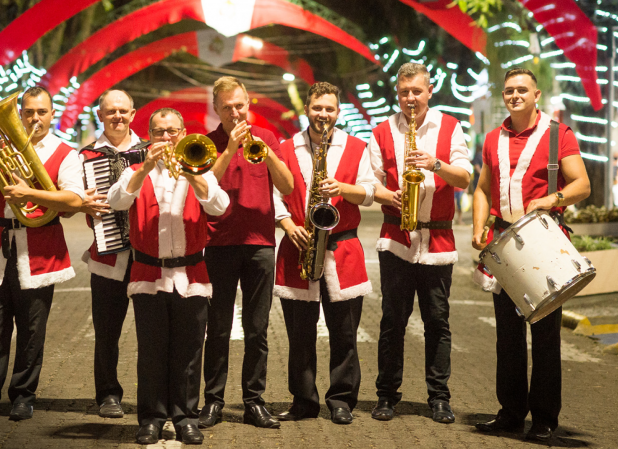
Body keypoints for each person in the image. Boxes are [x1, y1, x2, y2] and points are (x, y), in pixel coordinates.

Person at [471, 68, 590, 442]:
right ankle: (510, 413)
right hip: (504, 242)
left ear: (537, 94)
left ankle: (544, 419)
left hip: (542, 240)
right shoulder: (494, 138)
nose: (515, 95)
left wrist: (549, 200)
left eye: (522, 89)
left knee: (544, 334)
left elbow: (582, 184)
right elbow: (482, 189)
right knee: (506, 336)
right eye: (509, 90)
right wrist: (479, 226)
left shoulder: (558, 135)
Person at [0, 86, 84, 422]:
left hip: (41, 248)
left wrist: (27, 189)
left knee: (31, 329)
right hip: (0, 245)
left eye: (41, 112)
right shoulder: (1, 147)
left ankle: (23, 396)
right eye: (28, 112)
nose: (34, 119)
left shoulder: (65, 153)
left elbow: (74, 201)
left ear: (52, 114)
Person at [108, 108, 229, 444]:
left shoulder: (200, 167)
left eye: (172, 131)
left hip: (192, 275)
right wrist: (145, 168)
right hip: (148, 273)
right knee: (151, 352)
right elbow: (116, 201)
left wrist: (194, 173)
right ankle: (151, 418)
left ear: (183, 133)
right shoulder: (134, 170)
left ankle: (185, 417)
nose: (166, 138)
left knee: (189, 352)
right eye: (159, 132)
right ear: (149, 135)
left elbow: (220, 206)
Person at [367, 62, 472, 424]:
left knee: (438, 323)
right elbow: (371, 182)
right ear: (397, 94)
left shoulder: (450, 126)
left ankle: (439, 398)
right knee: (392, 321)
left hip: (439, 239)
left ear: (429, 91)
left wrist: (435, 163)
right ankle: (386, 395)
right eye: (403, 93)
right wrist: (389, 196)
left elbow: (465, 178)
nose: (410, 99)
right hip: (396, 238)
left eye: (416, 91)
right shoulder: (381, 131)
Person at [272, 82, 375, 425]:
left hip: (342, 249)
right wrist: (287, 224)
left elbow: (371, 192)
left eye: (329, 109)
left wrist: (341, 188)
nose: (323, 115)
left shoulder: (358, 146)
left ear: (338, 111)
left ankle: (341, 399)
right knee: (299, 334)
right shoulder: (286, 148)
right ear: (307, 110)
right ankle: (303, 401)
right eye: (317, 108)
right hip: (298, 245)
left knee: (344, 333)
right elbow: (272, 193)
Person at [199, 76, 294, 430]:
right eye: (227, 107)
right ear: (217, 109)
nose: (235, 112)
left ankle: (254, 401)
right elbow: (205, 188)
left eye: (239, 105)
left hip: (260, 245)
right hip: (218, 244)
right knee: (218, 328)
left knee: (257, 329)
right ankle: (213, 401)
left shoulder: (267, 138)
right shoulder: (206, 144)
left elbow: (287, 186)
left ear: (248, 103)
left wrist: (266, 153)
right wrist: (227, 150)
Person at [78, 89, 148, 418]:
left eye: (123, 111)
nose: (117, 116)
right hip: (107, 258)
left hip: (147, 256)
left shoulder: (150, 152)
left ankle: (153, 393)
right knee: (107, 332)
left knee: (152, 332)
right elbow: (75, 197)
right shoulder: (86, 156)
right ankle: (107, 394)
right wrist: (83, 204)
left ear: (133, 114)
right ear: (100, 116)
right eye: (110, 111)